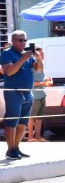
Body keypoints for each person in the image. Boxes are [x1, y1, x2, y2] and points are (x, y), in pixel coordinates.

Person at [1, 31, 40, 160]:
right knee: (11, 121)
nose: (23, 43)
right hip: (14, 92)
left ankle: (16, 148)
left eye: (25, 40)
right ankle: (10, 149)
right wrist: (23, 59)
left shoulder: (28, 55)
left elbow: (38, 69)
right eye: (20, 40)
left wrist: (39, 59)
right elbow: (9, 72)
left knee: (22, 122)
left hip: (27, 92)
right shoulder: (7, 53)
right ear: (13, 41)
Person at [28, 48, 48, 142]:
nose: (42, 55)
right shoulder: (32, 68)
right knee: (32, 117)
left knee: (40, 117)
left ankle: (38, 136)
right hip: (35, 96)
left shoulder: (41, 67)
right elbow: (31, 83)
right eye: (40, 54)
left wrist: (46, 80)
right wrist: (43, 83)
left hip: (42, 95)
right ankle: (30, 137)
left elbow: (41, 80)